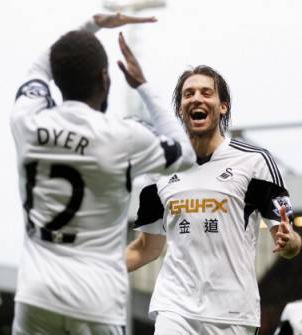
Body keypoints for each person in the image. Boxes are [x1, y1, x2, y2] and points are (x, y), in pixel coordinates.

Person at [10, 13, 196, 335]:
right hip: (97, 301)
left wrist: (90, 25)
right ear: (105, 78)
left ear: (57, 76)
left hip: (36, 295)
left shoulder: (27, 121)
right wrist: (143, 86)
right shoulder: (123, 137)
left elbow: (38, 68)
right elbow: (186, 152)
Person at [126, 65, 302, 334]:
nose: (196, 98)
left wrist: (290, 242)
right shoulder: (160, 168)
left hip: (233, 313)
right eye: (188, 94)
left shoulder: (255, 162)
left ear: (223, 107)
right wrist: (98, 271)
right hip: (175, 307)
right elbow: (146, 248)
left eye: (206, 92)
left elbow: (290, 240)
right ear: (181, 108)